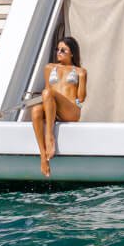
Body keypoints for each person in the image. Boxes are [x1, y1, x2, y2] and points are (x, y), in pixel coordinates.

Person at [30, 36, 87, 177]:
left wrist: (81, 79)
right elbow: (47, 91)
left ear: (72, 53)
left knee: (48, 92)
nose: (59, 52)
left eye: (63, 50)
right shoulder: (49, 68)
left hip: (71, 110)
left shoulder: (80, 71)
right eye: (58, 49)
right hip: (54, 109)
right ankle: (43, 157)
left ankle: (49, 136)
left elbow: (81, 98)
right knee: (36, 110)